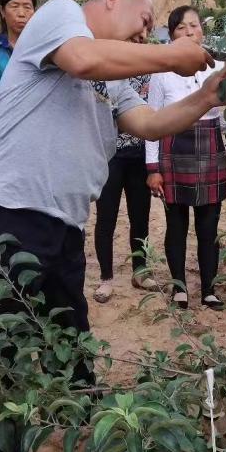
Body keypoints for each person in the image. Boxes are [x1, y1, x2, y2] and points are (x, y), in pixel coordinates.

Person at [0, 0, 226, 452]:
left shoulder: (116, 78)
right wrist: (170, 53)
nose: (146, 32)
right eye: (143, 19)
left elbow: (153, 123)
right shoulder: (61, 16)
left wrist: (214, 90)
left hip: (63, 222)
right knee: (3, 344)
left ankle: (82, 424)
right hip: (8, 209)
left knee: (72, 331)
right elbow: (83, 59)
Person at [146, 5, 226, 311]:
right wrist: (152, 168)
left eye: (194, 26)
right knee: (176, 223)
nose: (188, 32)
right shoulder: (161, 74)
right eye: (181, 28)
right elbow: (152, 121)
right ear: (171, 35)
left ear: (203, 32)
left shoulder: (218, 69)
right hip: (174, 147)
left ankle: (209, 289)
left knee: (209, 224)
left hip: (209, 146)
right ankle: (179, 289)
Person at [92, 34, 156, 303]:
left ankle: (140, 271)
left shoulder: (152, 70)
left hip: (141, 152)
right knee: (106, 217)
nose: (137, 40)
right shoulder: (107, 67)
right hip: (110, 154)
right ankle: (106, 278)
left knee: (140, 216)